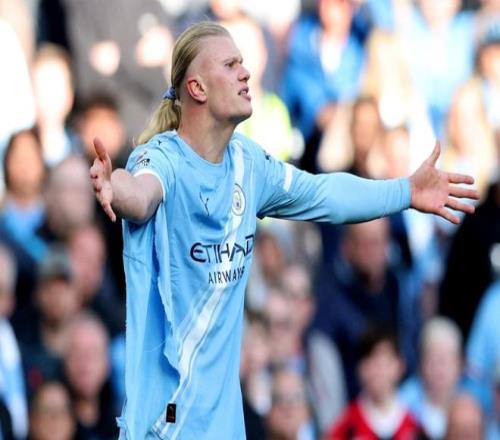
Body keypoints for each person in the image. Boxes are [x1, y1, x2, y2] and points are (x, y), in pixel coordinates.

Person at [89, 21, 478, 439]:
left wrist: (405, 191)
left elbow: (325, 193)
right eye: (230, 65)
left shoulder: (248, 164)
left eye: (243, 62)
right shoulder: (162, 158)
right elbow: (142, 192)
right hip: (165, 426)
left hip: (224, 427)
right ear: (197, 88)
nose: (245, 72)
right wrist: (115, 188)